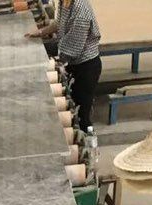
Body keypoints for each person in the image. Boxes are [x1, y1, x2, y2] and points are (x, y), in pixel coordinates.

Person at [27, 0, 102, 134]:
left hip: (86, 67)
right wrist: (41, 32)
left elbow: (74, 45)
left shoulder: (80, 10)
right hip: (74, 63)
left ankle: (85, 138)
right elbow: (60, 23)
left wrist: (58, 62)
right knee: (71, 107)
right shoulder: (65, 3)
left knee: (80, 114)